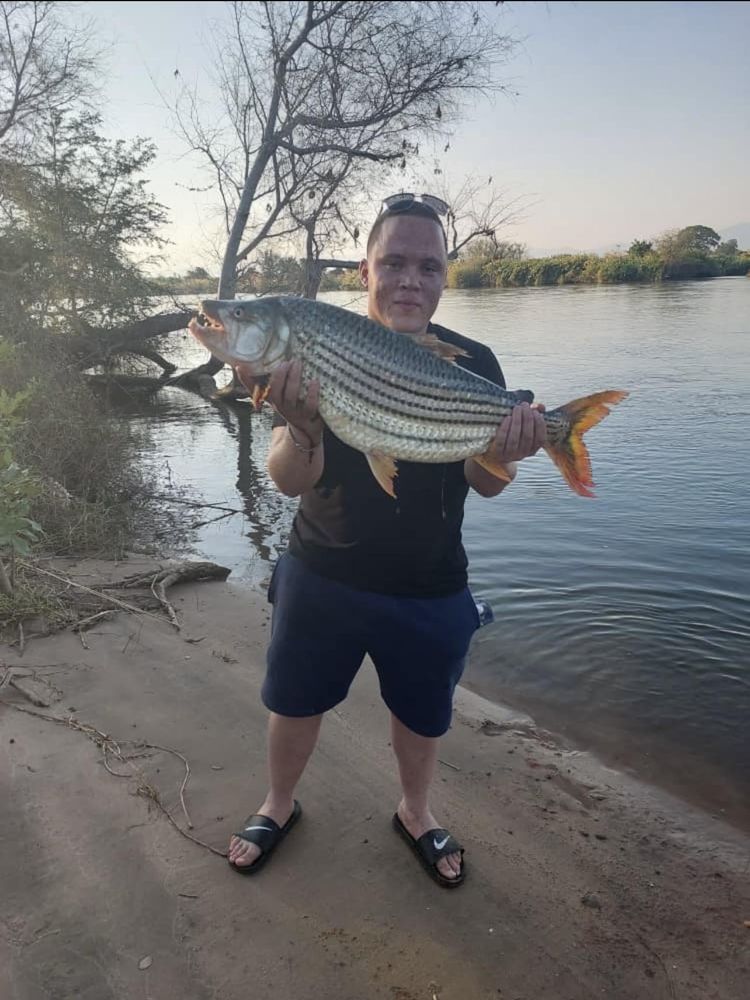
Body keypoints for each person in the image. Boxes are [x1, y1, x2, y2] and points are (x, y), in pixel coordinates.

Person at [227, 194, 546, 886]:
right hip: (324, 571)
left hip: (430, 582)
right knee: (295, 700)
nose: (410, 279)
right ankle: (277, 803)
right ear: (365, 269)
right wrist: (304, 424)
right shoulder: (311, 344)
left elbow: (485, 484)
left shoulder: (473, 360)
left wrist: (513, 448)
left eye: (427, 266)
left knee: (423, 715)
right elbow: (288, 477)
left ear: (443, 278)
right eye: (393, 262)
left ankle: (415, 810)